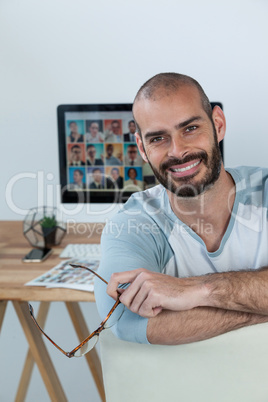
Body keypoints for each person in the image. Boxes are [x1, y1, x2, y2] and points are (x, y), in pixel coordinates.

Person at [94, 72, 268, 346]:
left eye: (190, 129)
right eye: (157, 138)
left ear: (218, 124)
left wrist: (198, 290)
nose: (177, 151)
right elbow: (124, 321)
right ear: (141, 147)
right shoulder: (135, 222)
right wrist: (258, 308)